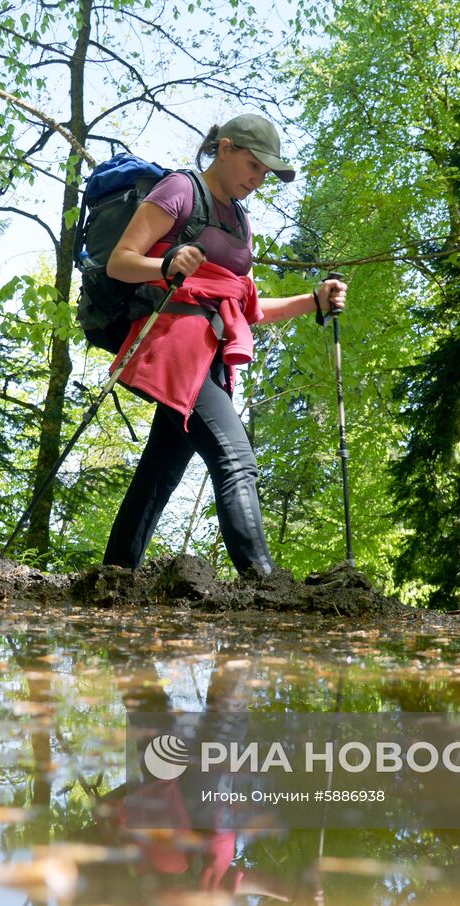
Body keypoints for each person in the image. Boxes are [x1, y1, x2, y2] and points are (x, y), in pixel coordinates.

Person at [102, 113, 346, 578]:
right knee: (236, 461)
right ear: (227, 148)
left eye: (265, 173)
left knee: (158, 475)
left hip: (213, 358)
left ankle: (113, 578)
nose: (258, 180)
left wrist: (313, 299)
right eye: (254, 166)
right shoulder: (180, 190)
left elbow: (249, 308)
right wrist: (167, 263)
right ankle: (266, 581)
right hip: (173, 350)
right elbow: (120, 262)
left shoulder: (241, 224)